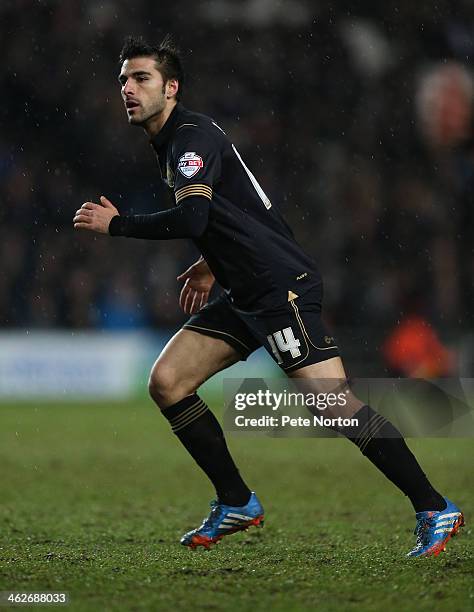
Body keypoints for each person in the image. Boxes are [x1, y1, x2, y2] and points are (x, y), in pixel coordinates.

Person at [73, 36, 464, 557]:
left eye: (141, 78)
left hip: (278, 287)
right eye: (123, 79)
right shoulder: (172, 140)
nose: (128, 88)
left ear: (171, 88)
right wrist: (213, 262)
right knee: (168, 382)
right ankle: (235, 500)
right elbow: (234, 209)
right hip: (243, 288)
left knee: (333, 404)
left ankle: (434, 506)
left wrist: (117, 224)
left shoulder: (189, 138)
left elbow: (193, 216)